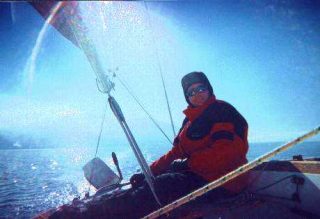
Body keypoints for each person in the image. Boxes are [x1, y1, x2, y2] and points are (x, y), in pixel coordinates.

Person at [49, 71, 249, 219]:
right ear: (187, 97)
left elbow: (227, 153)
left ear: (209, 89)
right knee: (150, 181)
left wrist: (188, 165)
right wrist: (147, 173)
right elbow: (173, 154)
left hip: (225, 182)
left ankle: (82, 214)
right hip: (199, 175)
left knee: (162, 186)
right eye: (191, 92)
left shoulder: (221, 111)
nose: (197, 94)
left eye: (201, 88)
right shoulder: (189, 122)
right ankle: (101, 205)